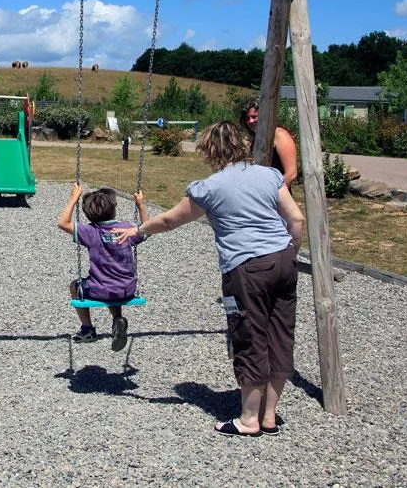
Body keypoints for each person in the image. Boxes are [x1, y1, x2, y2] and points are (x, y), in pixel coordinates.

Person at [113, 121, 305, 437]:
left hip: (246, 269)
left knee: (249, 336)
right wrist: (289, 253)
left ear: (210, 151)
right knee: (280, 335)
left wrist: (138, 229)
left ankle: (248, 420)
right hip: (283, 262)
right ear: (241, 145)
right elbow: (295, 219)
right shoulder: (270, 175)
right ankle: (269, 416)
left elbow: (170, 220)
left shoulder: (210, 187)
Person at [56, 183, 149, 351]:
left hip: (100, 289)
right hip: (126, 289)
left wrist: (73, 198)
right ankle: (117, 319)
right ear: (113, 209)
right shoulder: (127, 229)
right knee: (112, 286)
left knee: (75, 286)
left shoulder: (90, 231)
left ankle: (87, 330)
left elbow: (62, 223)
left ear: (87, 213)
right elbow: (148, 228)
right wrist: (140, 205)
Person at [240, 97, 298, 187]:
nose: (250, 121)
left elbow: (291, 174)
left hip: (277, 195)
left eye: (254, 117)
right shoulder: (257, 139)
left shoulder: (279, 135)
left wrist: (272, 194)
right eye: (248, 118)